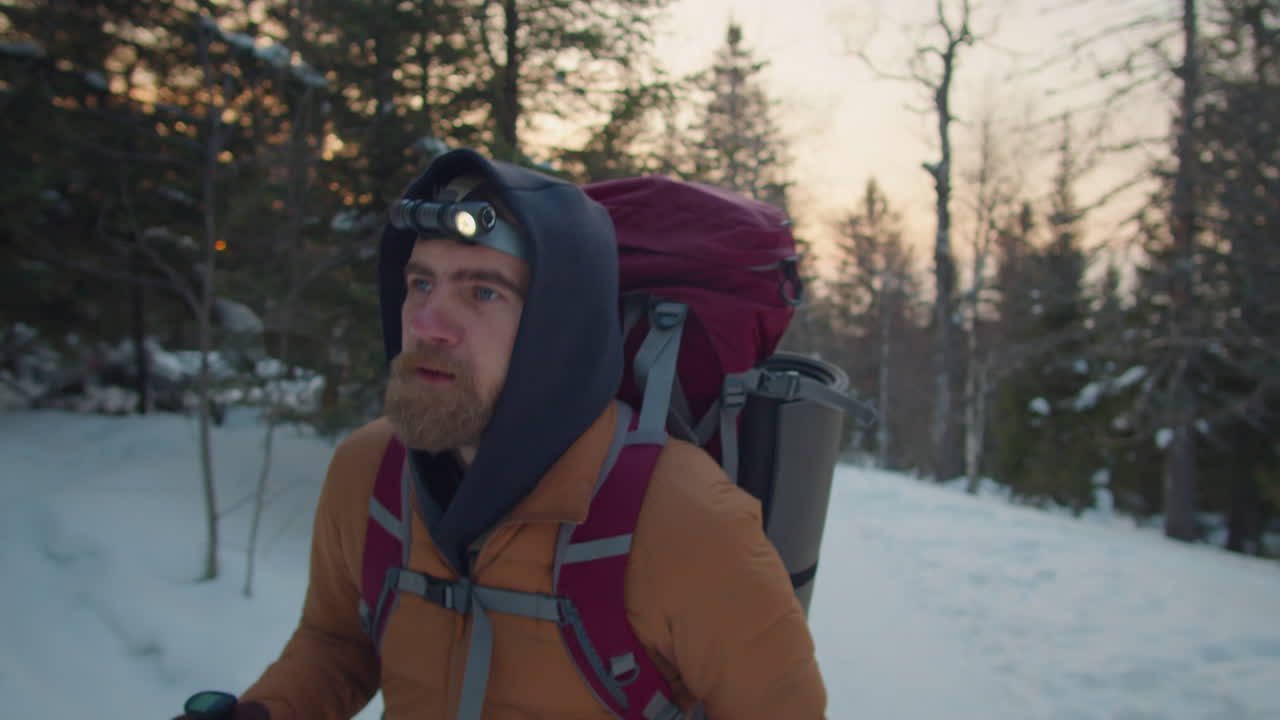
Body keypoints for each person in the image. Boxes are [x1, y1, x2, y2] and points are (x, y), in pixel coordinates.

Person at [179, 149, 826, 719]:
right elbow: (337, 643)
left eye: (482, 293)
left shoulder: (687, 520)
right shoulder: (370, 472)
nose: (429, 322)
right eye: (420, 283)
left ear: (560, 328)